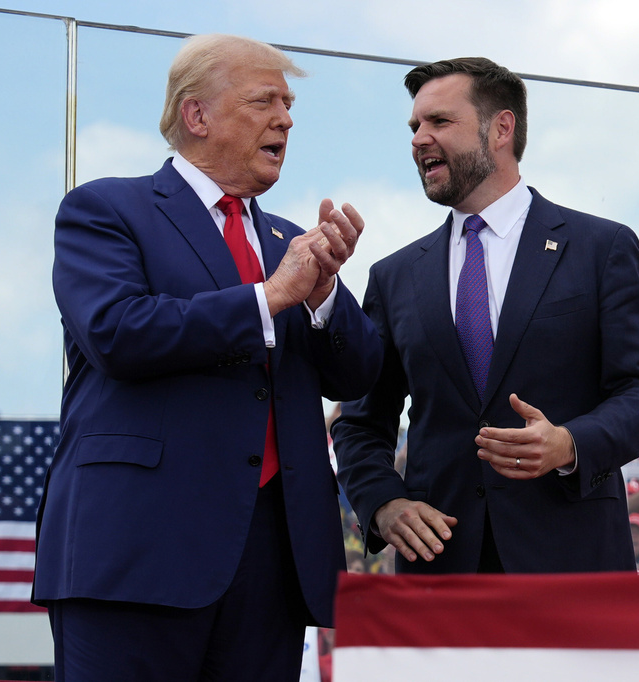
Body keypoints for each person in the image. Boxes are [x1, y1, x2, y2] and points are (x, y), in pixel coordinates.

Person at [33, 34, 383, 681]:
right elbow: (116, 332)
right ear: (197, 116)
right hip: (136, 556)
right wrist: (271, 295)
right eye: (264, 101)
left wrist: (325, 292)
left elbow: (359, 373)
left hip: (273, 563)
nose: (286, 118)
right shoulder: (107, 210)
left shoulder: (289, 242)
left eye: (289, 104)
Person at [332, 57, 639, 574]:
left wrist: (569, 443)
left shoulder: (601, 249)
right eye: (415, 126)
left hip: (570, 565)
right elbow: (359, 423)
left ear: (501, 129)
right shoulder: (394, 276)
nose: (420, 138)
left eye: (440, 122)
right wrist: (383, 503)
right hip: (439, 572)